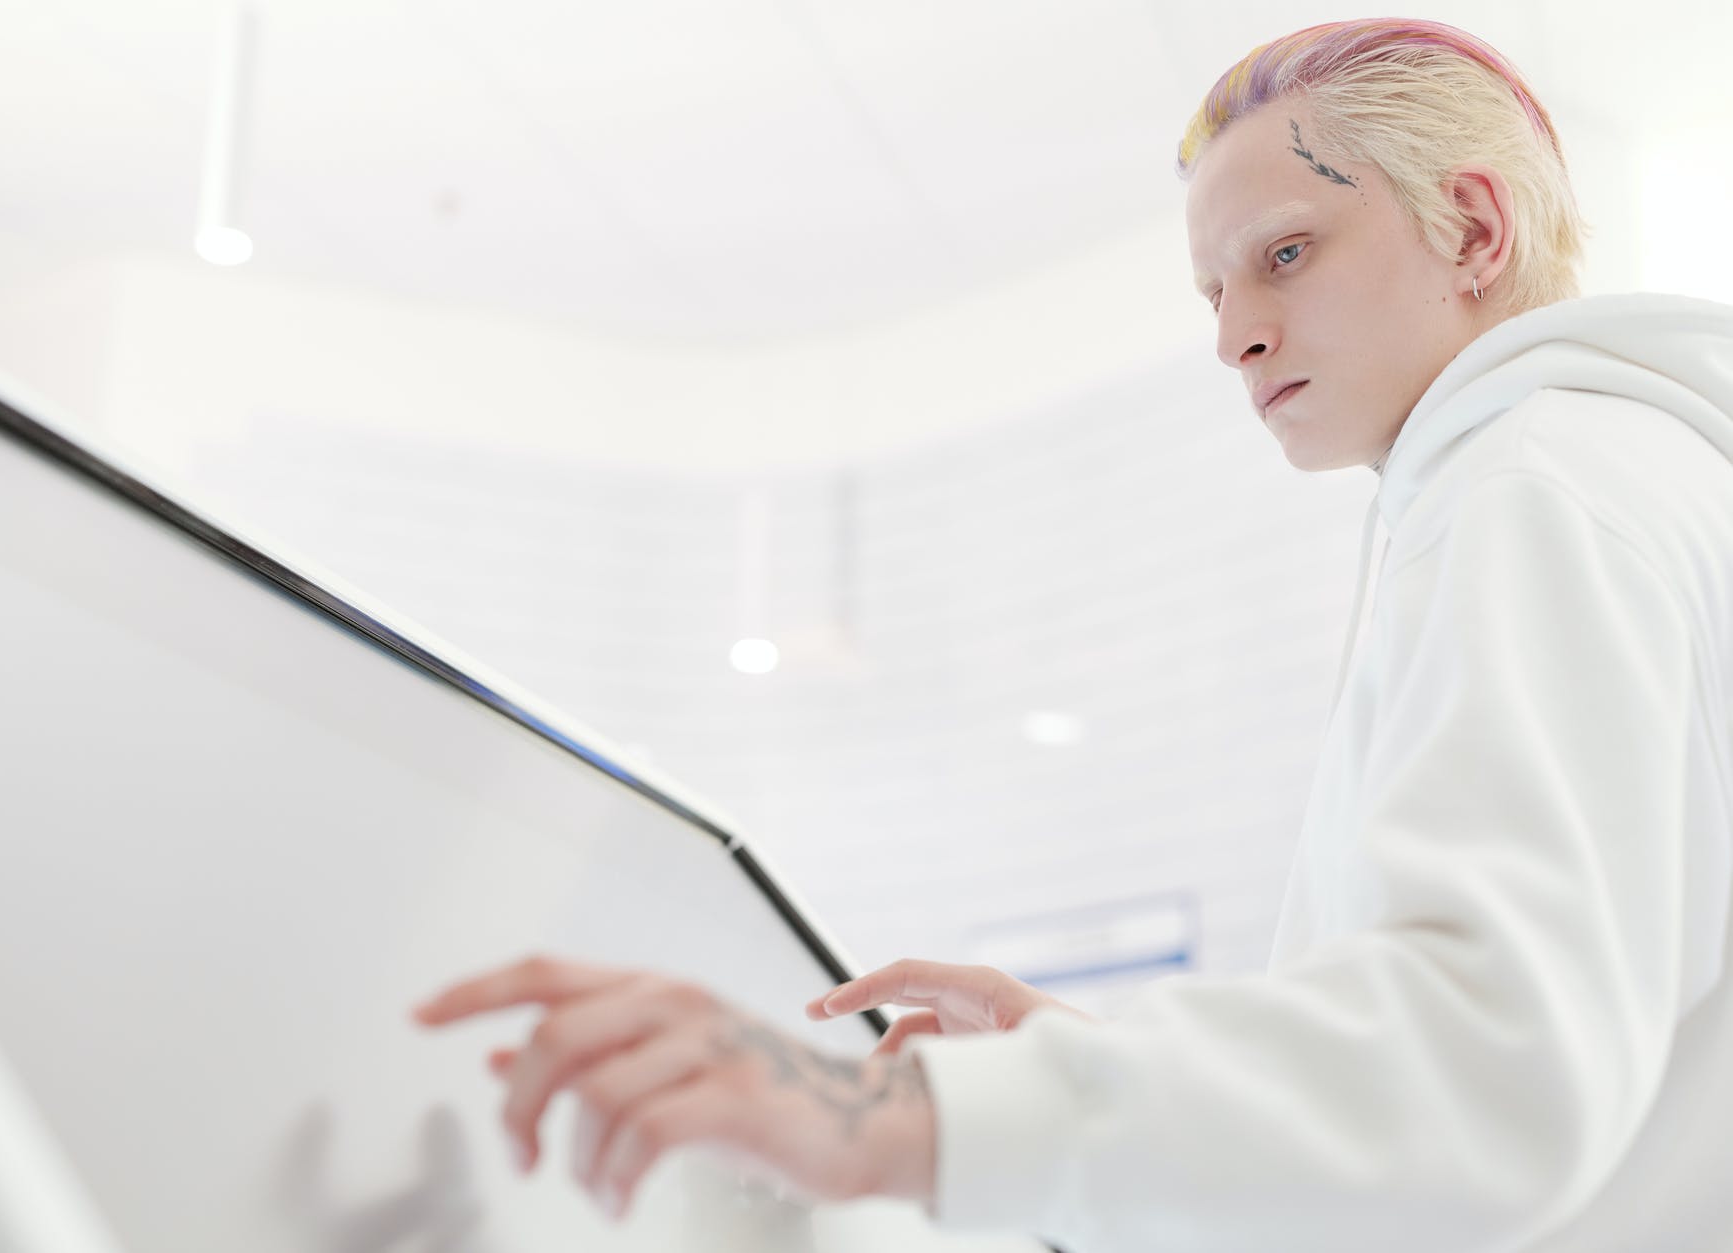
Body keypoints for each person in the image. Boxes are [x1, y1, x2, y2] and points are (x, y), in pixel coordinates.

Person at [409, 18, 1733, 1250]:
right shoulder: (1623, 483)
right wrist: (1087, 1065)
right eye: (1209, 289)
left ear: (1474, 227)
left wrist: (870, 1112)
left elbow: (1484, 1069)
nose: (1232, 336)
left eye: (1283, 253)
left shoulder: (1529, 488)